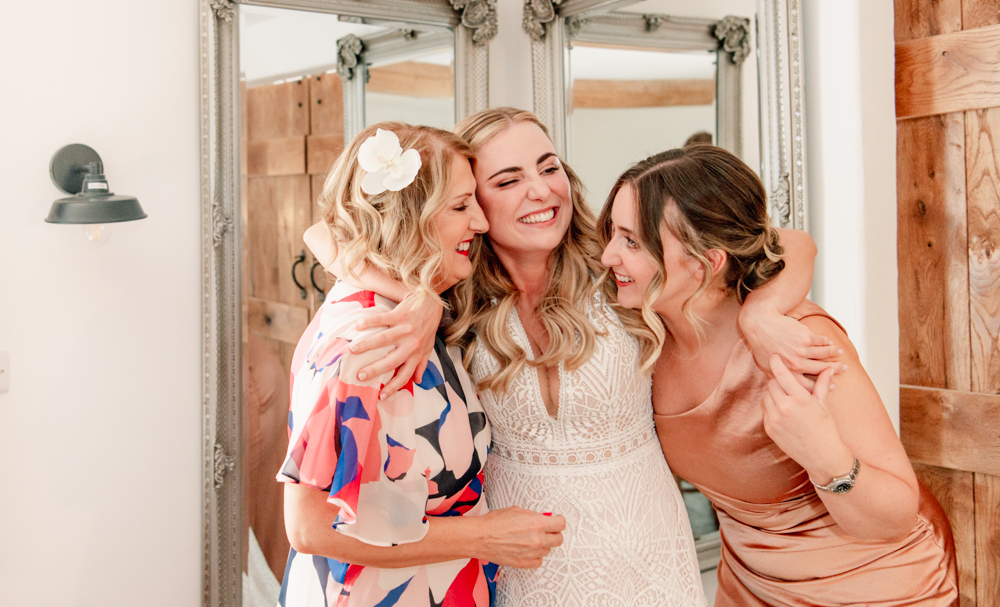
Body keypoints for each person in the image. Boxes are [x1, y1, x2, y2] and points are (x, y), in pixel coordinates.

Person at [306, 109, 843, 606]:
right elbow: (324, 236)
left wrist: (761, 315)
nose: (541, 190)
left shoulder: (620, 267)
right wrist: (421, 298)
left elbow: (790, 243)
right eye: (508, 180)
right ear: (470, 199)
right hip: (523, 562)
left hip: (647, 550)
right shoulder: (457, 294)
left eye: (549, 167)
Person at [599, 144, 959, 606]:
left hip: (871, 586)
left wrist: (825, 456)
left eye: (631, 241)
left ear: (707, 263)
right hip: (750, 586)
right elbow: (793, 240)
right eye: (613, 233)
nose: (608, 255)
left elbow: (895, 513)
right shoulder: (639, 333)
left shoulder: (798, 341)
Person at [278, 122, 566, 607]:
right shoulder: (368, 342)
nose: (479, 222)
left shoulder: (419, 313)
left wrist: (423, 298)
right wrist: (483, 537)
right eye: (459, 206)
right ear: (405, 219)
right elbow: (310, 527)